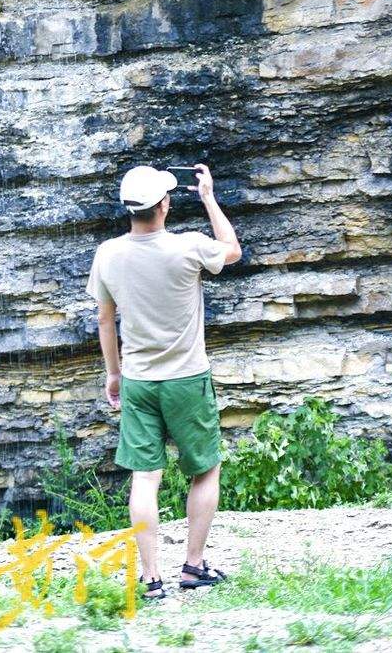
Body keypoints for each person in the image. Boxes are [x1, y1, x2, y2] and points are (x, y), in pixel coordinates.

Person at [86, 162, 241, 599]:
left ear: (129, 210)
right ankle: (192, 567)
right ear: (165, 205)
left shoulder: (108, 254)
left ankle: (150, 579)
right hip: (188, 378)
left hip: (138, 380)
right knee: (206, 469)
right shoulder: (189, 248)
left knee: (144, 477)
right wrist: (209, 196)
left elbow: (104, 319)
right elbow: (231, 249)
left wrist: (113, 375)